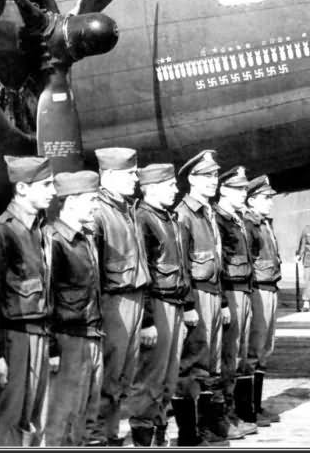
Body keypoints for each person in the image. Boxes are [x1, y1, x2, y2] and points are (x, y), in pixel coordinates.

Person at [0, 155, 56, 446]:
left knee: (32, 423)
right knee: (7, 421)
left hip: (38, 334)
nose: (53, 191)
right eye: (46, 184)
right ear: (22, 189)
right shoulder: (1, 230)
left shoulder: (38, 229)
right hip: (14, 338)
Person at [129, 163, 194, 446]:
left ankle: (158, 435)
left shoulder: (170, 218)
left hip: (176, 303)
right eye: (169, 185)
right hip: (158, 304)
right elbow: (141, 275)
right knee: (151, 379)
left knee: (168, 378)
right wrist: (147, 320)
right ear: (151, 188)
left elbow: (183, 266)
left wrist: (188, 303)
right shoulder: (142, 219)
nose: (176, 189)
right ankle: (144, 437)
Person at [90, 147, 151, 446]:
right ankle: (101, 437)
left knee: (124, 376)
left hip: (135, 298)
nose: (135, 179)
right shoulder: (100, 213)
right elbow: (93, 271)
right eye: (129, 174)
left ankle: (111, 434)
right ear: (109, 176)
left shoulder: (129, 210)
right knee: (109, 377)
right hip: (113, 302)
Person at [174, 150, 233, 444]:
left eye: (214, 176)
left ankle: (209, 426)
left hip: (211, 292)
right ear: (191, 180)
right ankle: (189, 433)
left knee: (211, 362)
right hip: (196, 295)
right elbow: (182, 265)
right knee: (193, 363)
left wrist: (221, 301)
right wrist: (187, 305)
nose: (213, 182)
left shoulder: (207, 212)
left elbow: (216, 260)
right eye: (206, 177)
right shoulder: (184, 215)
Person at [44, 171, 104, 446]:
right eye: (92, 200)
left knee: (86, 412)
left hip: (90, 332)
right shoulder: (54, 241)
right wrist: (52, 347)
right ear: (70, 202)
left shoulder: (84, 238)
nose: (96, 206)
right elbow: (46, 298)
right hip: (69, 337)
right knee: (63, 414)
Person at [215, 166, 258, 437]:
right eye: (238, 189)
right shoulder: (220, 219)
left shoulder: (235, 218)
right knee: (227, 356)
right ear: (224, 190)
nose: (243, 194)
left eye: (244, 189)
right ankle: (223, 415)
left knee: (239, 354)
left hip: (243, 288)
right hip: (230, 289)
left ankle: (231, 413)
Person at [244, 175, 282, 425]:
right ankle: (248, 409)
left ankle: (256, 406)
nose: (270, 202)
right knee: (254, 348)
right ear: (252, 200)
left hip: (270, 288)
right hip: (258, 289)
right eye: (265, 198)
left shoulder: (263, 223)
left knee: (265, 349)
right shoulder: (249, 225)